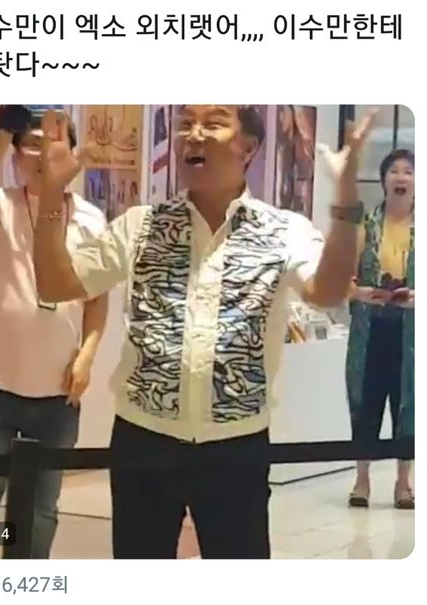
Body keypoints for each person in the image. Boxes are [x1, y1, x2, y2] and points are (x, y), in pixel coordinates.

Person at [33, 105, 375, 559]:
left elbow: (327, 292)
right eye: (184, 124)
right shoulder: (141, 225)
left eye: (212, 123)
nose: (193, 134)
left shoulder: (282, 229)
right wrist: (51, 194)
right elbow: (55, 285)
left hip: (236, 445)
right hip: (143, 440)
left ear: (248, 147)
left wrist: (346, 200)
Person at [0, 106, 109, 559]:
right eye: (30, 145)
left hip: (57, 395)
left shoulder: (90, 219)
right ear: (15, 154)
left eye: (52, 145)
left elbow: (97, 298)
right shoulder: (0, 203)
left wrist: (87, 355)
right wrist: (2, 138)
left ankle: (25, 580)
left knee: (40, 510)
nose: (41, 155)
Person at [346, 149, 415, 509]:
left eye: (409, 172)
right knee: (365, 402)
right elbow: (343, 279)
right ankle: (362, 480)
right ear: (384, 180)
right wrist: (360, 293)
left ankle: (404, 483)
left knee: (409, 405)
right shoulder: (365, 226)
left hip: (411, 335)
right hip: (370, 331)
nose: (401, 177)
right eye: (394, 171)